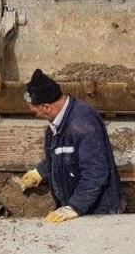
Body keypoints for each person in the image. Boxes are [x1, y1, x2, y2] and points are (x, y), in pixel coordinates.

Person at [18, 69, 124, 223]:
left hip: (99, 212)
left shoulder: (83, 125)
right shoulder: (57, 121)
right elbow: (62, 155)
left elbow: (96, 173)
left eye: (35, 112)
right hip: (80, 205)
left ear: (47, 107)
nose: (36, 116)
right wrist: (40, 172)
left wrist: (74, 207)